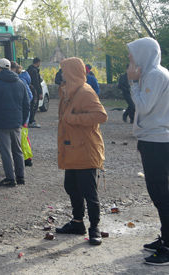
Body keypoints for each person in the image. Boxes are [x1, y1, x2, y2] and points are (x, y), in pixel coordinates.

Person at [54, 57, 107, 247]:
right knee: (71, 187)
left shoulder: (85, 92)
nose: (61, 74)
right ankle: (77, 223)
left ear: (72, 72)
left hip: (86, 150)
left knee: (89, 192)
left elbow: (101, 115)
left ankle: (95, 228)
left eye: (63, 70)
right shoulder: (68, 91)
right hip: (71, 150)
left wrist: (74, 118)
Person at [127, 37, 169, 265]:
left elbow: (143, 106)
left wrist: (133, 82)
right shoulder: (154, 73)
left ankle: (168, 246)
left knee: (161, 194)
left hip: (157, 141)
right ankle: (165, 237)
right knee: (160, 193)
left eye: (132, 55)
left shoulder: (154, 75)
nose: (130, 60)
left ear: (143, 54)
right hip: (155, 139)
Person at [0, 58, 30, 187]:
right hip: (16, 122)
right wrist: (22, 120)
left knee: (6, 151)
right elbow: (26, 104)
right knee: (17, 150)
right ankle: (21, 177)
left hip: (1, 122)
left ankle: (10, 178)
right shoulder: (20, 83)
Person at [13, 62, 34, 167]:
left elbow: (29, 96)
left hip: (23, 112)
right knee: (24, 136)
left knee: (23, 137)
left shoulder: (20, 81)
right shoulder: (23, 79)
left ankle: (27, 158)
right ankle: (26, 157)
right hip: (23, 112)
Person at [26, 58, 43, 128]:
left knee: (30, 106)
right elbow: (36, 83)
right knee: (34, 106)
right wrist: (40, 92)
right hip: (34, 91)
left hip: (29, 90)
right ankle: (31, 121)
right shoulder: (34, 71)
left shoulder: (28, 69)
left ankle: (29, 120)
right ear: (38, 62)